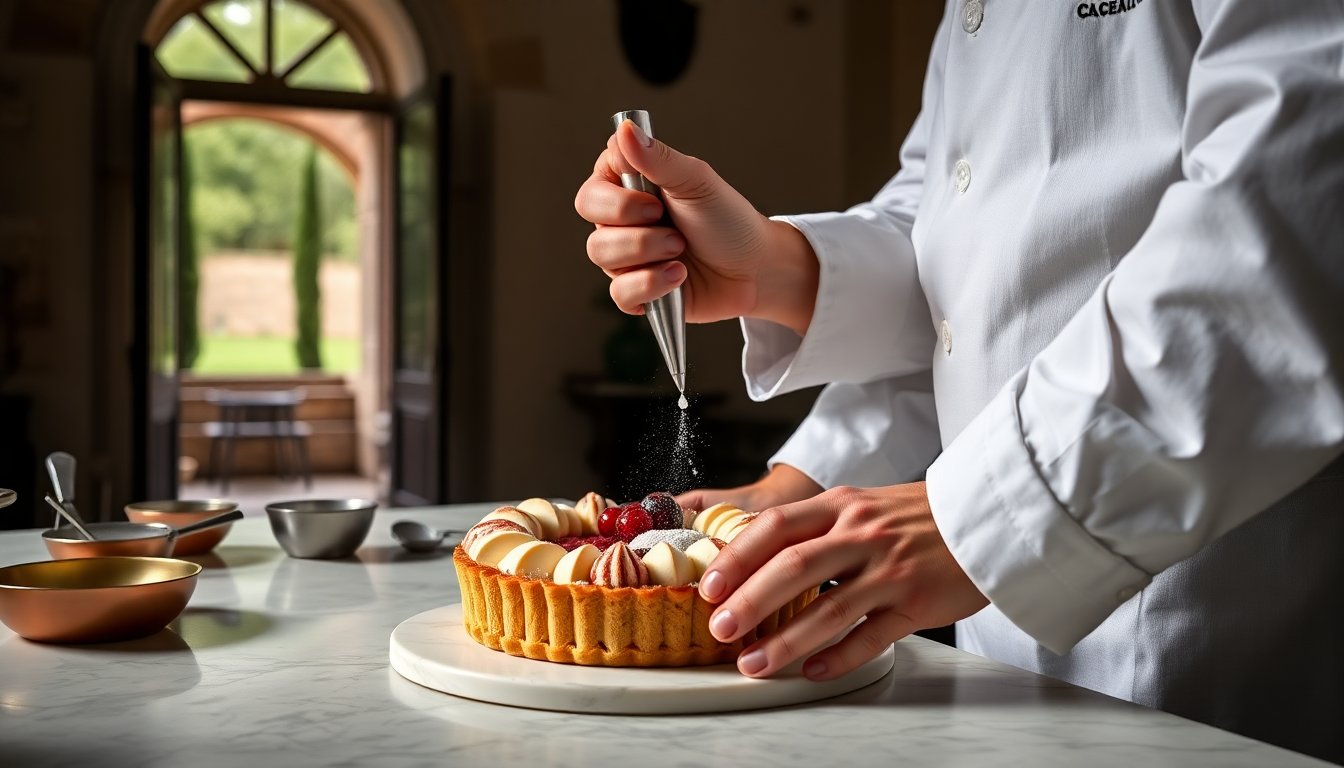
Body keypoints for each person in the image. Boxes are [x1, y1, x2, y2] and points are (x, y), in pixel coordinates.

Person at [576, 1, 1343, 763]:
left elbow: (1296, 208)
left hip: (1214, 656)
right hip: (992, 674)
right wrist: (776, 271)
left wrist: (985, 516)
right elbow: (958, 253)